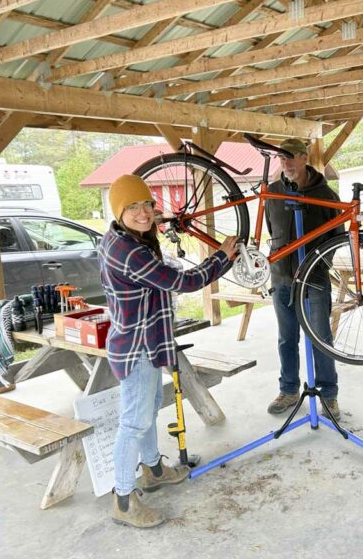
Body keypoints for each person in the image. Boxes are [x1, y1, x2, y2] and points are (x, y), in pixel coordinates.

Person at [99, 174, 238, 529]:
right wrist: (220, 258)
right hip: (138, 347)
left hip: (143, 340)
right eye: (133, 207)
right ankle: (124, 501)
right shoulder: (128, 251)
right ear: (118, 211)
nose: (144, 213)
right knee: (134, 422)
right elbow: (183, 282)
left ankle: (153, 471)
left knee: (144, 413)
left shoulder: (125, 238)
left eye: (147, 204)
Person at [264, 138, 343, 420]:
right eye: (281, 159)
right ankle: (289, 390)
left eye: (290, 158)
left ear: (303, 158)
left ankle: (329, 394)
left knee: (320, 337)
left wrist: (319, 266)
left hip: (314, 279)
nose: (285, 164)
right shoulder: (273, 192)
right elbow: (272, 229)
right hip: (282, 278)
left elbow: (337, 236)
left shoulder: (326, 195)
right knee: (287, 338)